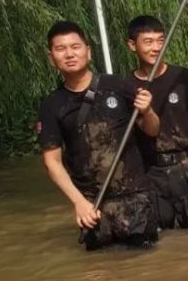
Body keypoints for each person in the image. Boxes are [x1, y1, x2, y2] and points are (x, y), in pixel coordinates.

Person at [37, 21, 160, 250]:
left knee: (146, 270)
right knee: (101, 273)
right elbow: (52, 162)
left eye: (75, 46)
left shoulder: (118, 85)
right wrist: (79, 203)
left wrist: (148, 110)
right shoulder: (52, 106)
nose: (70, 54)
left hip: (136, 200)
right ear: (51, 57)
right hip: (93, 207)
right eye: (61, 49)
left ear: (88, 51)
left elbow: (152, 130)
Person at [125, 14, 188, 230]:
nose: (156, 48)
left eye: (161, 41)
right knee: (161, 237)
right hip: (150, 171)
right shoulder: (127, 86)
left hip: (187, 167)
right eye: (148, 42)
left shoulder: (183, 77)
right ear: (132, 45)